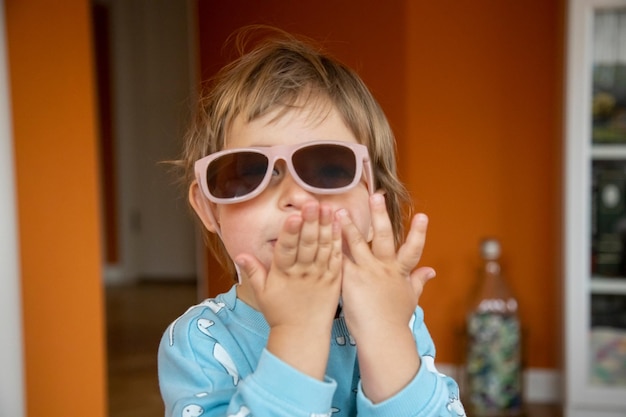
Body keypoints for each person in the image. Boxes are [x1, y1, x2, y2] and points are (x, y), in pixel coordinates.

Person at [158, 26, 465, 417]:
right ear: (208, 208)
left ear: (377, 205)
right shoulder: (199, 344)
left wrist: (386, 335)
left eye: (329, 170)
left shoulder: (394, 314)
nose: (295, 197)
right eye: (250, 171)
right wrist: (298, 333)